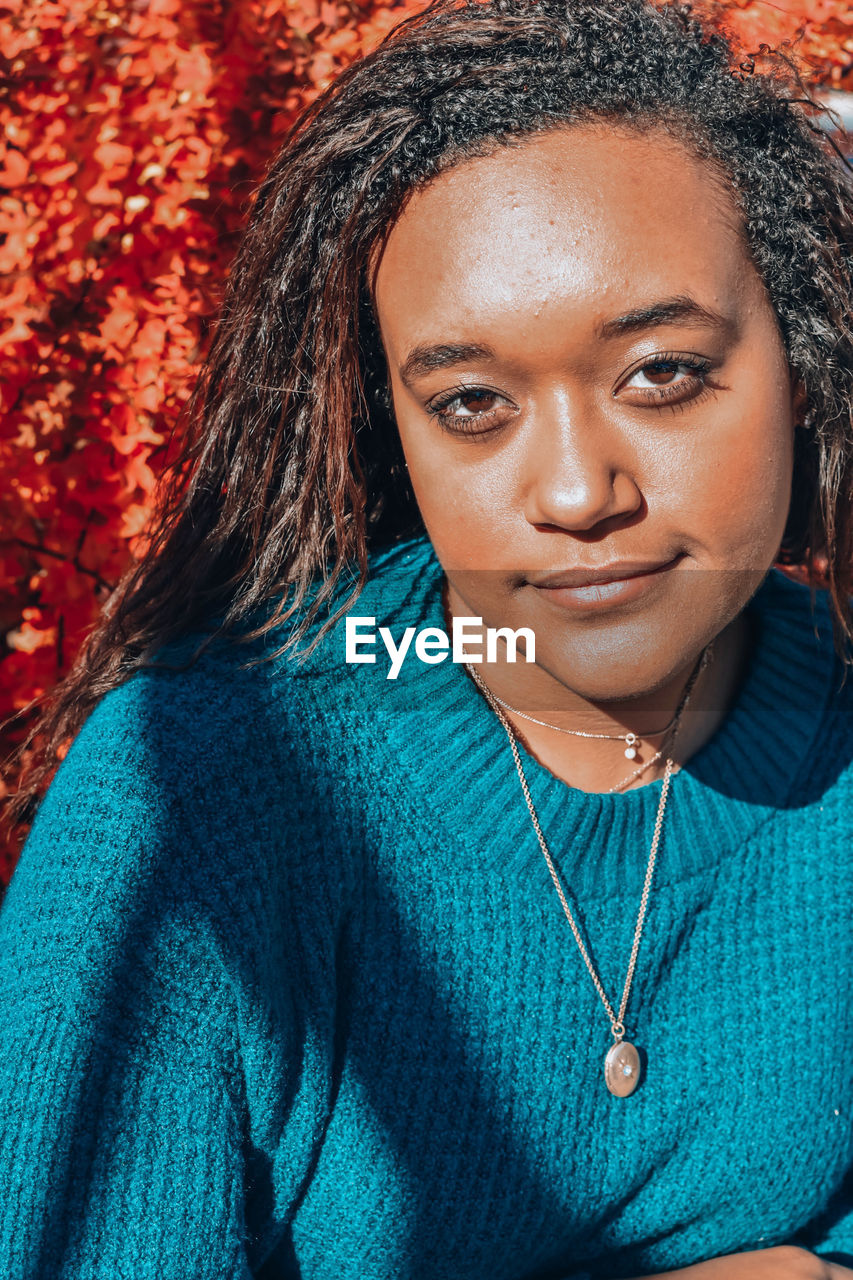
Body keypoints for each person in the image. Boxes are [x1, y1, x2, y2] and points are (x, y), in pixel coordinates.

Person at [1, 0, 852, 1275]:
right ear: (390, 423)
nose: (575, 491)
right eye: (471, 403)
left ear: (801, 360)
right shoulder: (201, 800)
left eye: (661, 373)